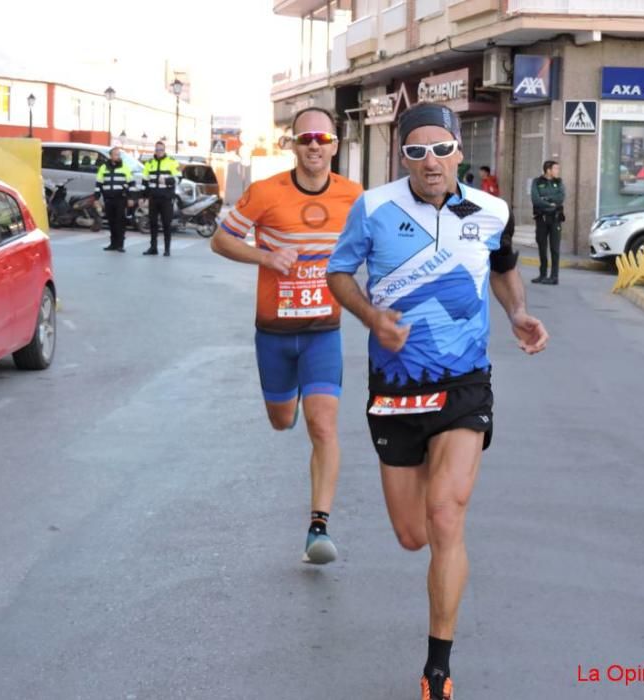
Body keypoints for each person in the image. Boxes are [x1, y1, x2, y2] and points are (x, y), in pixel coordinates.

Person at [326, 102, 548, 700]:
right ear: (403, 155)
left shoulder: (491, 209)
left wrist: (519, 312)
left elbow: (502, 268)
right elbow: (339, 273)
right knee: (412, 534)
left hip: (464, 384)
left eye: (441, 148)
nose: (430, 161)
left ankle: (438, 670)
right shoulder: (373, 208)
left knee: (447, 516)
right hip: (396, 388)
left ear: (458, 150)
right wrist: (372, 315)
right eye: (416, 151)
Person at [210, 107, 363, 564]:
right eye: (305, 139)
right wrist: (265, 258)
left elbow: (381, 246)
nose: (313, 145)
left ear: (335, 144)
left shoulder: (356, 197)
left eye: (322, 138)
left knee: (324, 425)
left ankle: (318, 528)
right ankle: (287, 405)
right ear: (292, 145)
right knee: (282, 420)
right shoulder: (264, 193)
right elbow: (221, 240)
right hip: (274, 332)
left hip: (323, 331)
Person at [140, 141, 181, 256]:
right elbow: (144, 181)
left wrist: (167, 181)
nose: (159, 152)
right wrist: (143, 196)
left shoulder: (171, 162)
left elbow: (179, 178)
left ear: (164, 150)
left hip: (166, 198)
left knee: (166, 224)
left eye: (161, 150)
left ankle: (167, 249)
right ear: (155, 150)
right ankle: (153, 248)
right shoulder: (149, 163)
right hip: (153, 198)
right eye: (157, 150)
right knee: (153, 223)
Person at [95, 147, 137, 252]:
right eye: (116, 154)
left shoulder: (125, 168)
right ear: (111, 156)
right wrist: (96, 198)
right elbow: (98, 183)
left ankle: (120, 245)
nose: (118, 156)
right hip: (108, 199)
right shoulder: (103, 168)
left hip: (120, 199)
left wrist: (131, 198)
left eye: (119, 155)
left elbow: (132, 183)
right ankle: (113, 244)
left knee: (120, 222)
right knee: (111, 222)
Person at [530, 160, 565, 285]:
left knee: (555, 248)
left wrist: (546, 199)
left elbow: (560, 198)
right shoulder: (537, 182)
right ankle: (543, 274)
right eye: (555, 169)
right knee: (542, 247)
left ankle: (554, 276)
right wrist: (550, 203)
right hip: (542, 219)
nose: (557, 171)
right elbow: (535, 199)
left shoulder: (559, 182)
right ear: (548, 170)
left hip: (555, 219)